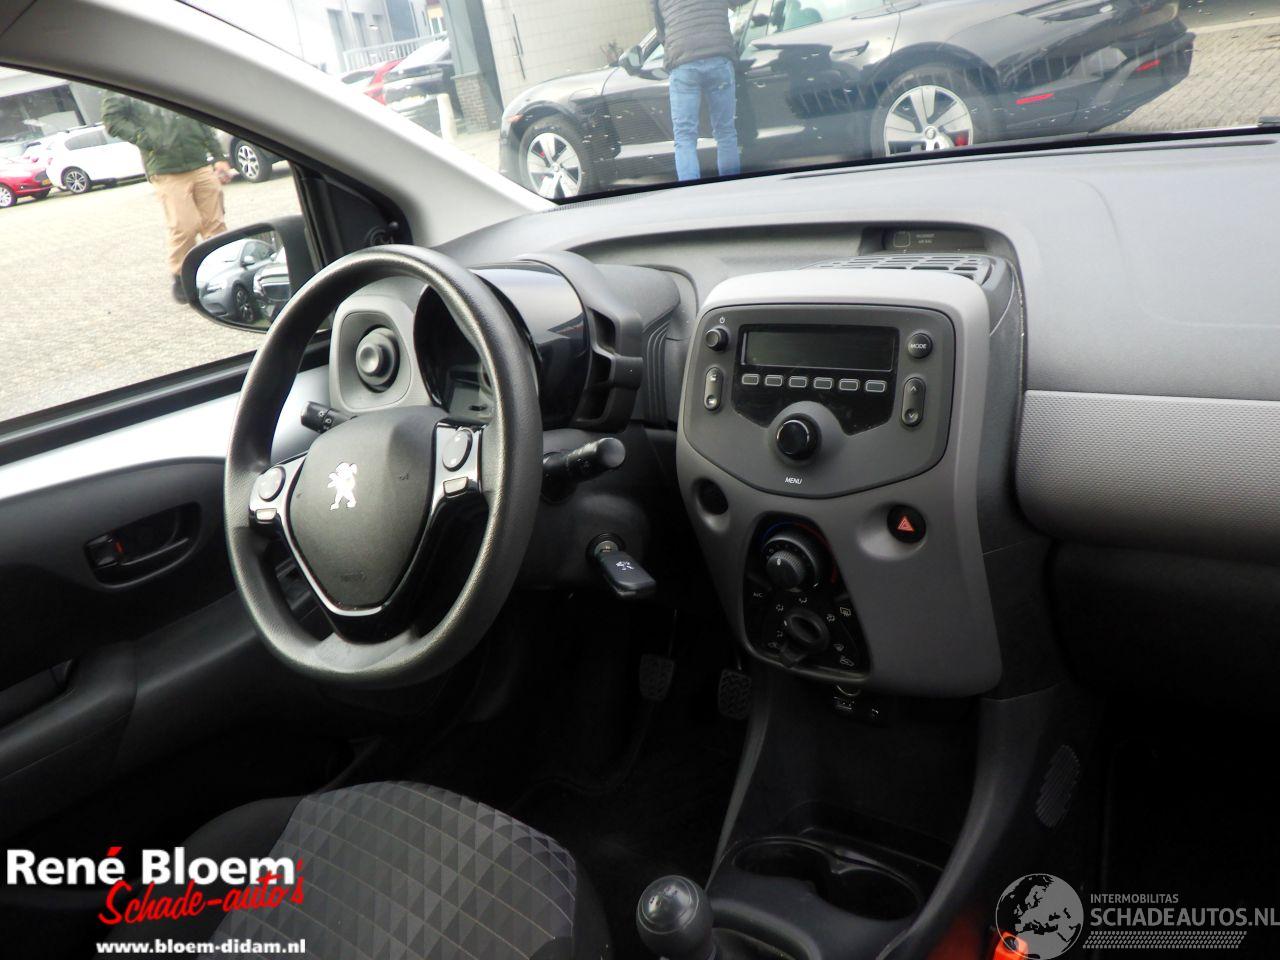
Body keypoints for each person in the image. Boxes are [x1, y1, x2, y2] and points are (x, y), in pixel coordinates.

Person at [102, 94, 233, 303]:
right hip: (165, 169)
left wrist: (218, 156)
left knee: (215, 224)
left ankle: (222, 270)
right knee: (184, 226)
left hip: (199, 163)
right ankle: (182, 277)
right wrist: (146, 139)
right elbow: (112, 120)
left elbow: (200, 118)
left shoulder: (175, 80)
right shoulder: (126, 84)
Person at [652, 0, 744, 182]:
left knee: (685, 136)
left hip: (683, 63)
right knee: (725, 132)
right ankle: (731, 188)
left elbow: (661, 32)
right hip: (718, 57)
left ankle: (690, 192)